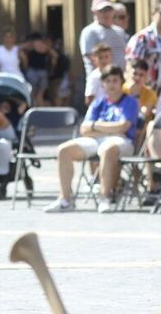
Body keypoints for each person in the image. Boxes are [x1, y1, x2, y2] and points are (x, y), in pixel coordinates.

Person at [43, 66, 139, 214]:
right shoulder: (98, 103)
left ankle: (104, 198)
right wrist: (105, 128)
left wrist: (96, 126)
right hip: (95, 139)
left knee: (107, 149)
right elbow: (84, 129)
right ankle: (65, 200)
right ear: (103, 84)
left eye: (115, 80)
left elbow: (123, 127)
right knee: (64, 150)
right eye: (108, 81)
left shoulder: (130, 102)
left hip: (122, 141)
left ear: (121, 82)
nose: (112, 84)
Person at [79, 0, 127, 78]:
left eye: (109, 9)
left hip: (120, 83)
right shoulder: (89, 32)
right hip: (101, 83)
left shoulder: (120, 31)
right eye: (102, 10)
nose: (106, 13)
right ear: (94, 12)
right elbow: (92, 60)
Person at [21, 32, 56, 106]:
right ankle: (41, 112)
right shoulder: (45, 46)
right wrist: (51, 68)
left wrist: (25, 66)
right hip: (43, 71)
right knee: (40, 95)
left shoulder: (31, 45)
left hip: (32, 71)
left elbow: (20, 49)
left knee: (33, 93)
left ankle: (35, 110)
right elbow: (55, 56)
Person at [83, 42, 114, 106]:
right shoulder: (94, 77)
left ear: (111, 57)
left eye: (106, 57)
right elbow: (89, 99)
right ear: (94, 59)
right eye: (100, 58)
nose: (104, 60)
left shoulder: (115, 74)